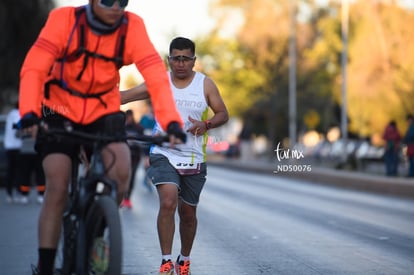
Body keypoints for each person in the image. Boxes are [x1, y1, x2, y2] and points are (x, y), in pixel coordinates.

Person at [17, 1, 186, 274]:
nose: (116, 6)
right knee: (58, 185)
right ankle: (46, 267)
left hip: (103, 111)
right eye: (109, 0)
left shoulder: (132, 26)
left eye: (123, 0)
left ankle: (98, 232)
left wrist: (172, 122)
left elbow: (155, 76)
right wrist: (28, 113)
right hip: (59, 109)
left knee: (120, 171)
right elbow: (34, 68)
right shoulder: (63, 20)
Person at [121, 37, 229, 275]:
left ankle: (184, 259)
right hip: (163, 152)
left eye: (185, 59)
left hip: (193, 157)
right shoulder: (160, 82)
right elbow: (125, 96)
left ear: (194, 61)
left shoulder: (205, 85)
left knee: (188, 214)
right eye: (176, 58)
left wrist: (206, 123)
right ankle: (166, 261)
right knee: (168, 201)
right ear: (168, 60)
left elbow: (223, 114)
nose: (180, 63)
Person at [121, 109, 144, 209]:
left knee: (132, 177)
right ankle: (121, 197)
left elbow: (143, 141)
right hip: (124, 156)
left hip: (135, 156)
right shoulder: (122, 127)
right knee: (123, 177)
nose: (128, 120)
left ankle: (127, 198)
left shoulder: (138, 128)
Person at [17, 129, 46, 204]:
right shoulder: (23, 123)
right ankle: (24, 195)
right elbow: (17, 134)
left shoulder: (39, 123)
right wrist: (27, 132)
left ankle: (41, 195)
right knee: (25, 174)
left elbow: (45, 134)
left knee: (40, 174)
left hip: (37, 152)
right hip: (25, 152)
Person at [4, 102, 22, 203]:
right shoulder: (17, 114)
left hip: (8, 146)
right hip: (16, 146)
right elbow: (17, 128)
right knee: (17, 172)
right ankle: (16, 193)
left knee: (10, 171)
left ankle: (9, 193)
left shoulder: (10, 114)